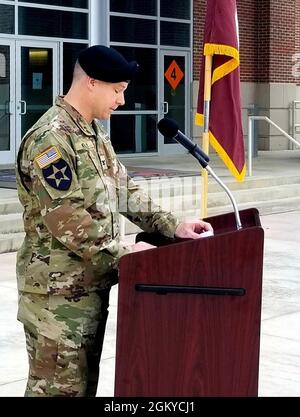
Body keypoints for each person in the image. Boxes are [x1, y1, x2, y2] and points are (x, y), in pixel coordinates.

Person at [15, 45, 213, 397]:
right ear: (91, 83)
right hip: (55, 300)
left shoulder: (92, 135)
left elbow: (125, 191)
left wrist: (172, 226)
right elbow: (69, 221)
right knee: (57, 392)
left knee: (80, 388)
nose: (122, 100)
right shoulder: (51, 140)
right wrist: (125, 252)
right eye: (117, 90)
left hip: (88, 289)